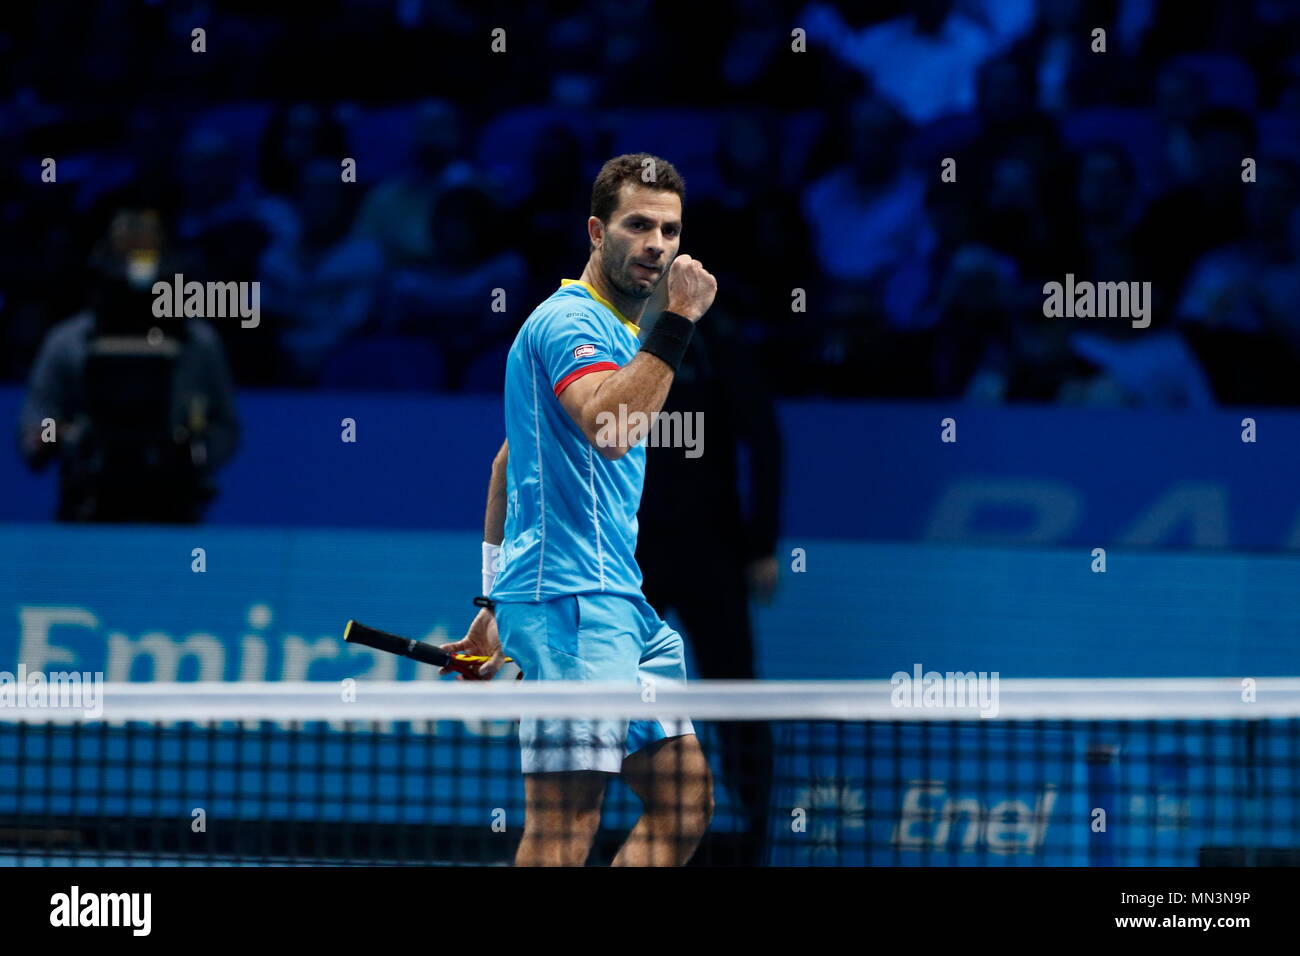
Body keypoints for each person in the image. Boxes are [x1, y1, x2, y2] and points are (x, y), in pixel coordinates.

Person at [441, 154, 717, 867]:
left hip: (619, 606)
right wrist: (680, 317)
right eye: (638, 225)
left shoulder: (620, 336)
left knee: (686, 805)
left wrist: (492, 598)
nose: (657, 243)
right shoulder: (570, 324)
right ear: (597, 231)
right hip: (572, 602)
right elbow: (612, 429)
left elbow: (508, 462)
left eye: (670, 229)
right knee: (565, 825)